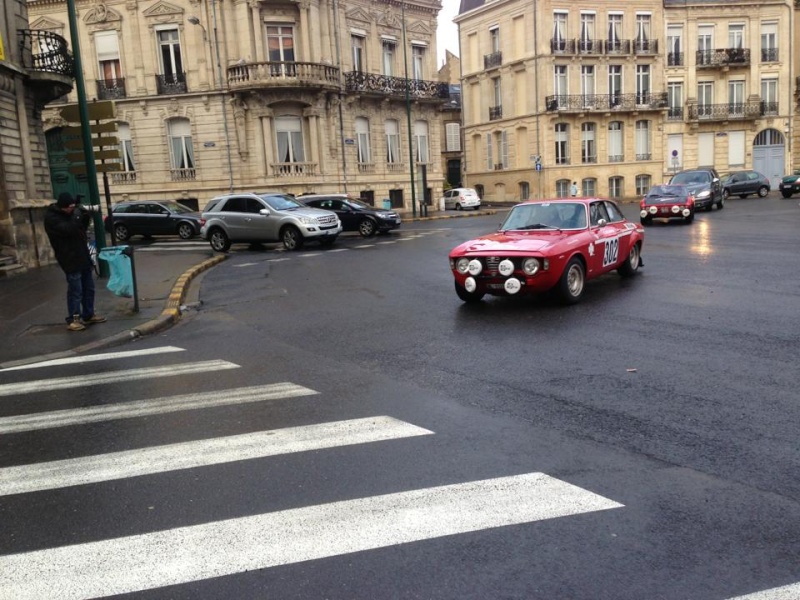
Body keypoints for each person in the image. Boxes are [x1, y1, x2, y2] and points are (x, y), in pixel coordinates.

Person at [44, 192, 106, 331]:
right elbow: (69, 230)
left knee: (88, 288)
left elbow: (80, 228)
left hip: (82, 255)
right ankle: (73, 319)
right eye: (70, 207)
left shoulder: (70, 215)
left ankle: (88, 315)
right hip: (69, 258)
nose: (72, 209)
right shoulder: (52, 218)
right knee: (75, 290)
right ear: (63, 207)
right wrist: (77, 215)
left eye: (73, 207)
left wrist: (85, 216)